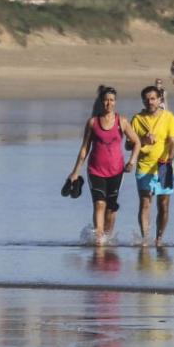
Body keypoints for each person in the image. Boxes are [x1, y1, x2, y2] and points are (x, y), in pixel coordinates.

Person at [68, 86, 138, 245]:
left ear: (115, 102)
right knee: (99, 203)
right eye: (106, 100)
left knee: (111, 209)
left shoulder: (122, 121)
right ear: (101, 102)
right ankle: (99, 238)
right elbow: (85, 148)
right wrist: (75, 172)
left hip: (116, 171)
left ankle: (108, 237)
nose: (109, 103)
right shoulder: (93, 122)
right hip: (96, 170)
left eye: (112, 100)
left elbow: (137, 142)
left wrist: (131, 161)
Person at [131, 85, 174, 247]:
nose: (150, 102)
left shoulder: (169, 118)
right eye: (146, 99)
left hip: (164, 167)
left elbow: (173, 142)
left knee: (163, 204)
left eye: (153, 98)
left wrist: (170, 159)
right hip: (144, 167)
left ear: (160, 100)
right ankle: (145, 239)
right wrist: (143, 140)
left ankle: (159, 239)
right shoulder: (137, 119)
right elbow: (128, 145)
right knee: (145, 202)